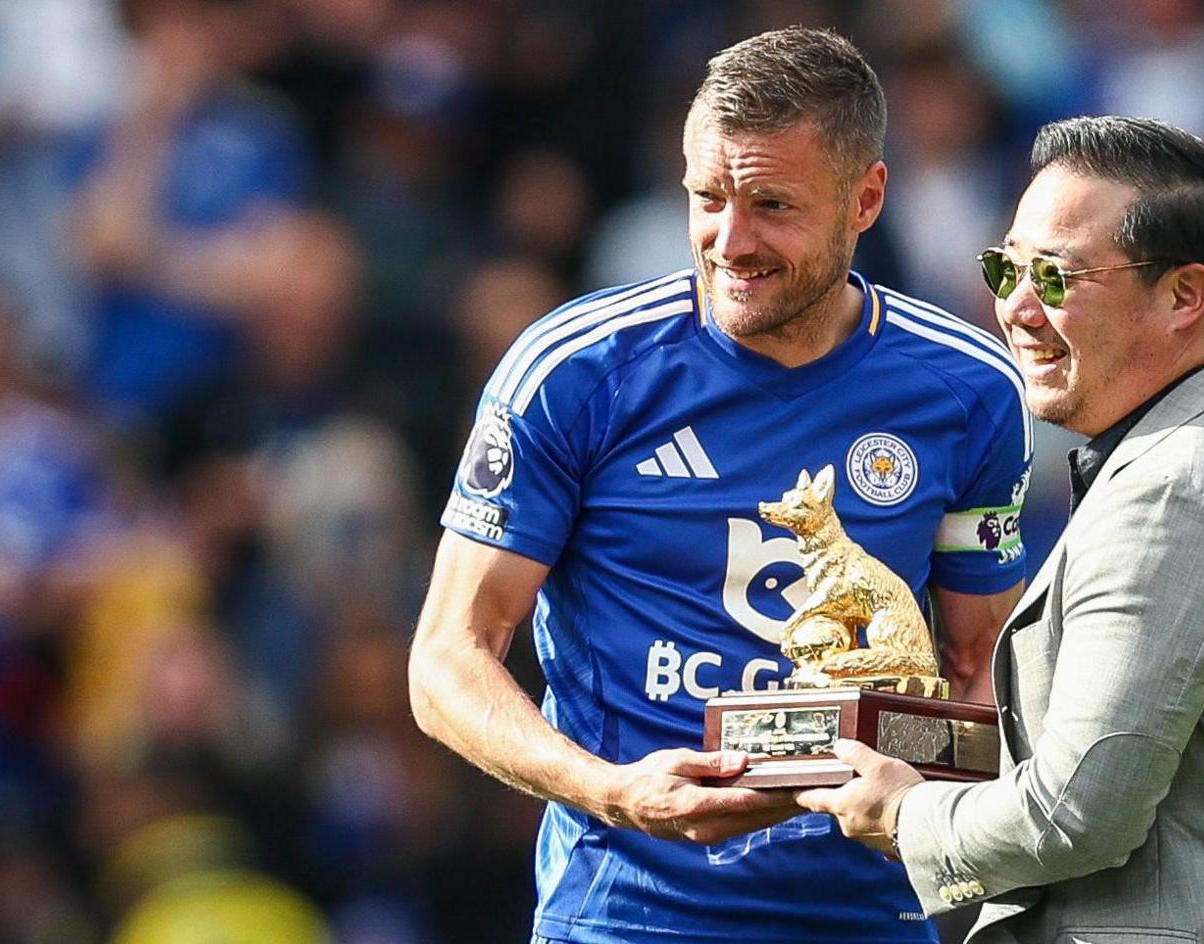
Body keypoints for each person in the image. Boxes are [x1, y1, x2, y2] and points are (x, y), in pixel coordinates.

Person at [407, 27, 1033, 944]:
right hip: (625, 916)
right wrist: (611, 792)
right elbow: (447, 657)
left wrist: (910, 798)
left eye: (773, 205)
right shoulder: (576, 371)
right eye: (707, 198)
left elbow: (976, 673)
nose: (729, 242)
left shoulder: (971, 392)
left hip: (868, 918)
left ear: (866, 199)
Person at [799, 115, 1204, 942]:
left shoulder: (1176, 491)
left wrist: (903, 812)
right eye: (1007, 268)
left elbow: (1074, 814)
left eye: (1059, 277)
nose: (1016, 308)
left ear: (1185, 295)